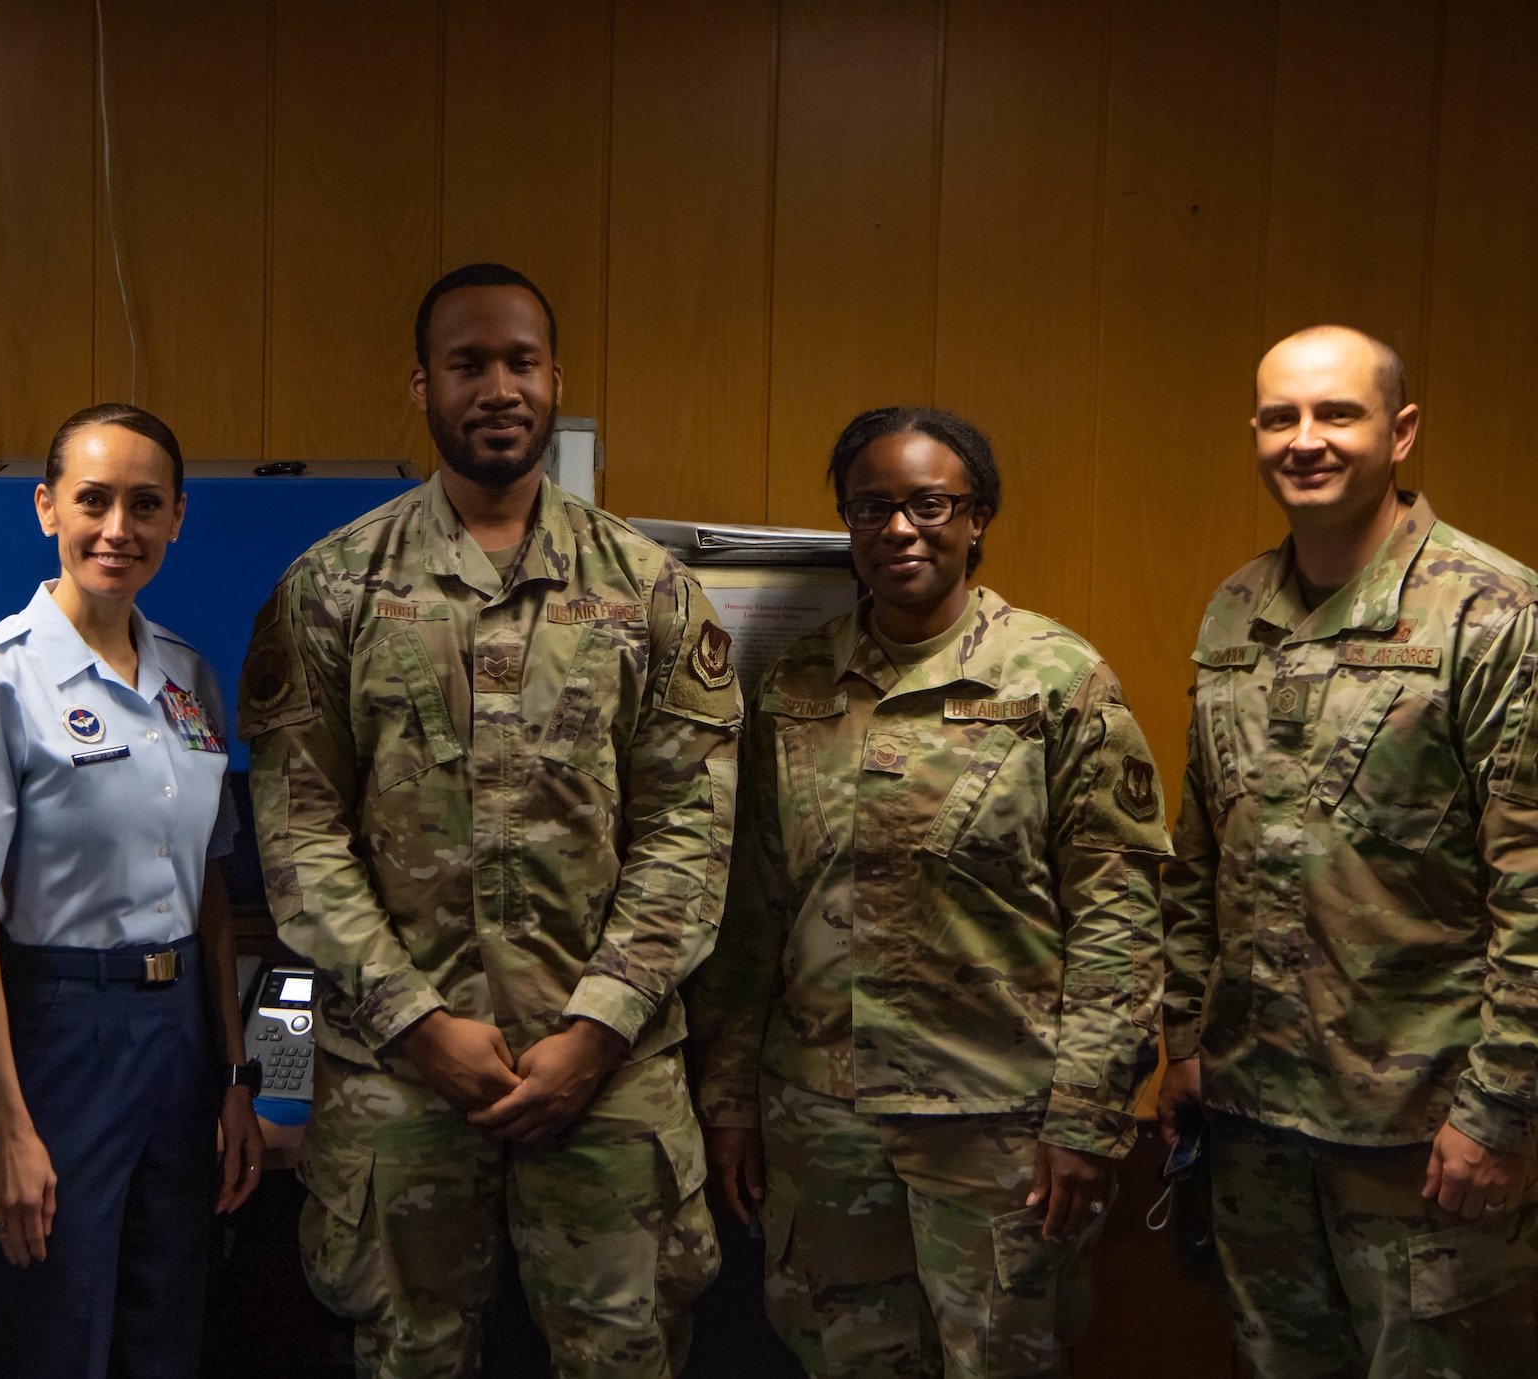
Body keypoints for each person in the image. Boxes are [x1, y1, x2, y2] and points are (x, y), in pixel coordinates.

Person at [239, 262, 740, 1378]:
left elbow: (687, 834)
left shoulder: (649, 589)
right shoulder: (331, 589)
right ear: (422, 385)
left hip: (606, 1080)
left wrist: (594, 1028)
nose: (498, 386)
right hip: (396, 1078)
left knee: (625, 1355)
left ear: (555, 379)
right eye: (468, 364)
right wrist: (417, 1020)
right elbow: (299, 837)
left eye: (520, 361)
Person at [689, 407, 1172, 1378]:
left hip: (995, 1127)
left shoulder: (1054, 681)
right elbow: (752, 909)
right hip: (821, 1121)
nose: (899, 529)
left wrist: (1087, 1118)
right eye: (870, 508)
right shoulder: (796, 681)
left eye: (928, 504)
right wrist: (731, 1093)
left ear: (976, 516)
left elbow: (1118, 919)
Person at [1159, 326, 1538, 1376]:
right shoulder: (1235, 608)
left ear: (1399, 431)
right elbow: (1199, 850)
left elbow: (1531, 892)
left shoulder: (1490, 612)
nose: (1304, 439)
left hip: (1418, 1132)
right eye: (1280, 416)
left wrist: (1498, 1111)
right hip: (1251, 1115)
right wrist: (1181, 1036)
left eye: (1336, 413)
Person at [0, 404, 264, 1377]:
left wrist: (240, 1079)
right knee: (48, 1327)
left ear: (176, 519)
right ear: (45, 508)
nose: (119, 528)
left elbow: (208, 888)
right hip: (57, 1027)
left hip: (180, 1039)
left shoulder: (190, 677)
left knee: (166, 1325)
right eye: (94, 500)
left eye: (145, 505)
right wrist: (4, 1126)